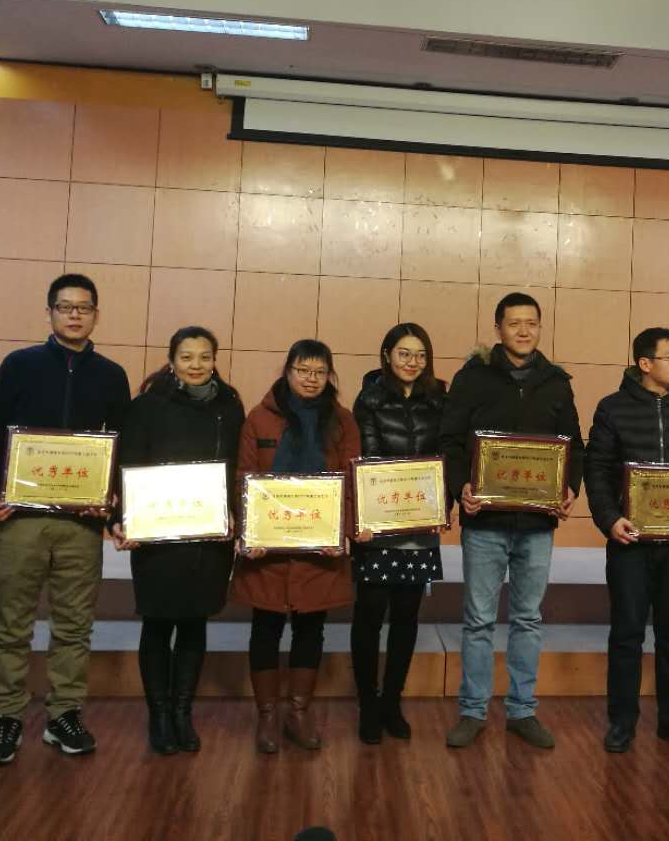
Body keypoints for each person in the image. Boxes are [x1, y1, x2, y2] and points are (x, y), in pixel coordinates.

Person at [0, 273, 131, 766]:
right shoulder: (18, 365)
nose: (74, 315)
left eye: (84, 307)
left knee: (74, 625)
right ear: (49, 313)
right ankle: (5, 716)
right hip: (20, 518)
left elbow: (121, 448)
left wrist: (112, 506)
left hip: (81, 524)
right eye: (65, 307)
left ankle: (64, 713)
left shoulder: (111, 375)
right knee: (11, 624)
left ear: (96, 315)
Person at [439, 292, 584, 750]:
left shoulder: (556, 382)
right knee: (479, 620)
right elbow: (450, 440)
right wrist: (460, 486)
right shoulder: (472, 378)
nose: (524, 331)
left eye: (531, 323)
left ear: (540, 328)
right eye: (514, 323)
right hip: (485, 522)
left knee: (528, 619)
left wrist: (569, 487)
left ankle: (522, 710)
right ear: (498, 328)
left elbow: (574, 445)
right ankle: (472, 710)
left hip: (536, 524)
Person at [585, 327, 669, 755]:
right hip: (630, 542)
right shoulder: (612, 408)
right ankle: (621, 722)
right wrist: (609, 520)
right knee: (626, 633)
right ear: (645, 363)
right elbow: (597, 470)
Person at [110, 327, 245, 755]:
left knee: (194, 622)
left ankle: (183, 714)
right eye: (187, 357)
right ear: (172, 361)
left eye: (204, 357)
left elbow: (237, 467)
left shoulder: (230, 406)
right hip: (158, 533)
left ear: (215, 360)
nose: (196, 365)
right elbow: (127, 465)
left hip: (208, 534)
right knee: (157, 622)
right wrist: (122, 519)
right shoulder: (147, 406)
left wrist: (237, 513)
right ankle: (159, 715)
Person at [235, 340, 361, 753]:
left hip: (319, 552)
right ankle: (267, 715)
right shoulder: (259, 418)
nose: (311, 378)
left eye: (319, 372)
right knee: (265, 627)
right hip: (267, 552)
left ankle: (298, 712)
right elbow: (243, 478)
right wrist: (249, 533)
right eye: (303, 370)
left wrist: (341, 532)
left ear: (329, 376)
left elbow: (351, 481)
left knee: (311, 628)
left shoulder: (342, 421)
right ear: (287, 371)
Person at [350, 323, 447, 745]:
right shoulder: (369, 399)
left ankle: (392, 702)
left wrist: (442, 501)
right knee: (370, 614)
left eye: (420, 355)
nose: (412, 362)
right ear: (387, 354)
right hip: (378, 524)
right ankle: (368, 705)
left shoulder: (438, 399)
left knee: (407, 616)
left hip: (420, 524)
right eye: (404, 353)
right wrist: (368, 512)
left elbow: (445, 455)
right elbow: (365, 457)